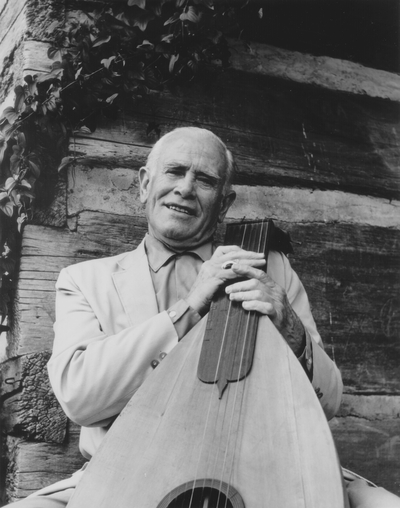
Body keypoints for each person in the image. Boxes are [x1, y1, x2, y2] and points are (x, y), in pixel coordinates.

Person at [6, 127, 399, 507]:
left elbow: (328, 401)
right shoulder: (86, 280)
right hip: (123, 474)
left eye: (205, 180)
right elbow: (81, 397)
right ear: (144, 184)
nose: (185, 188)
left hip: (269, 469)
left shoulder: (268, 268)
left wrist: (292, 332)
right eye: (175, 171)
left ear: (224, 203)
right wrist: (190, 305)